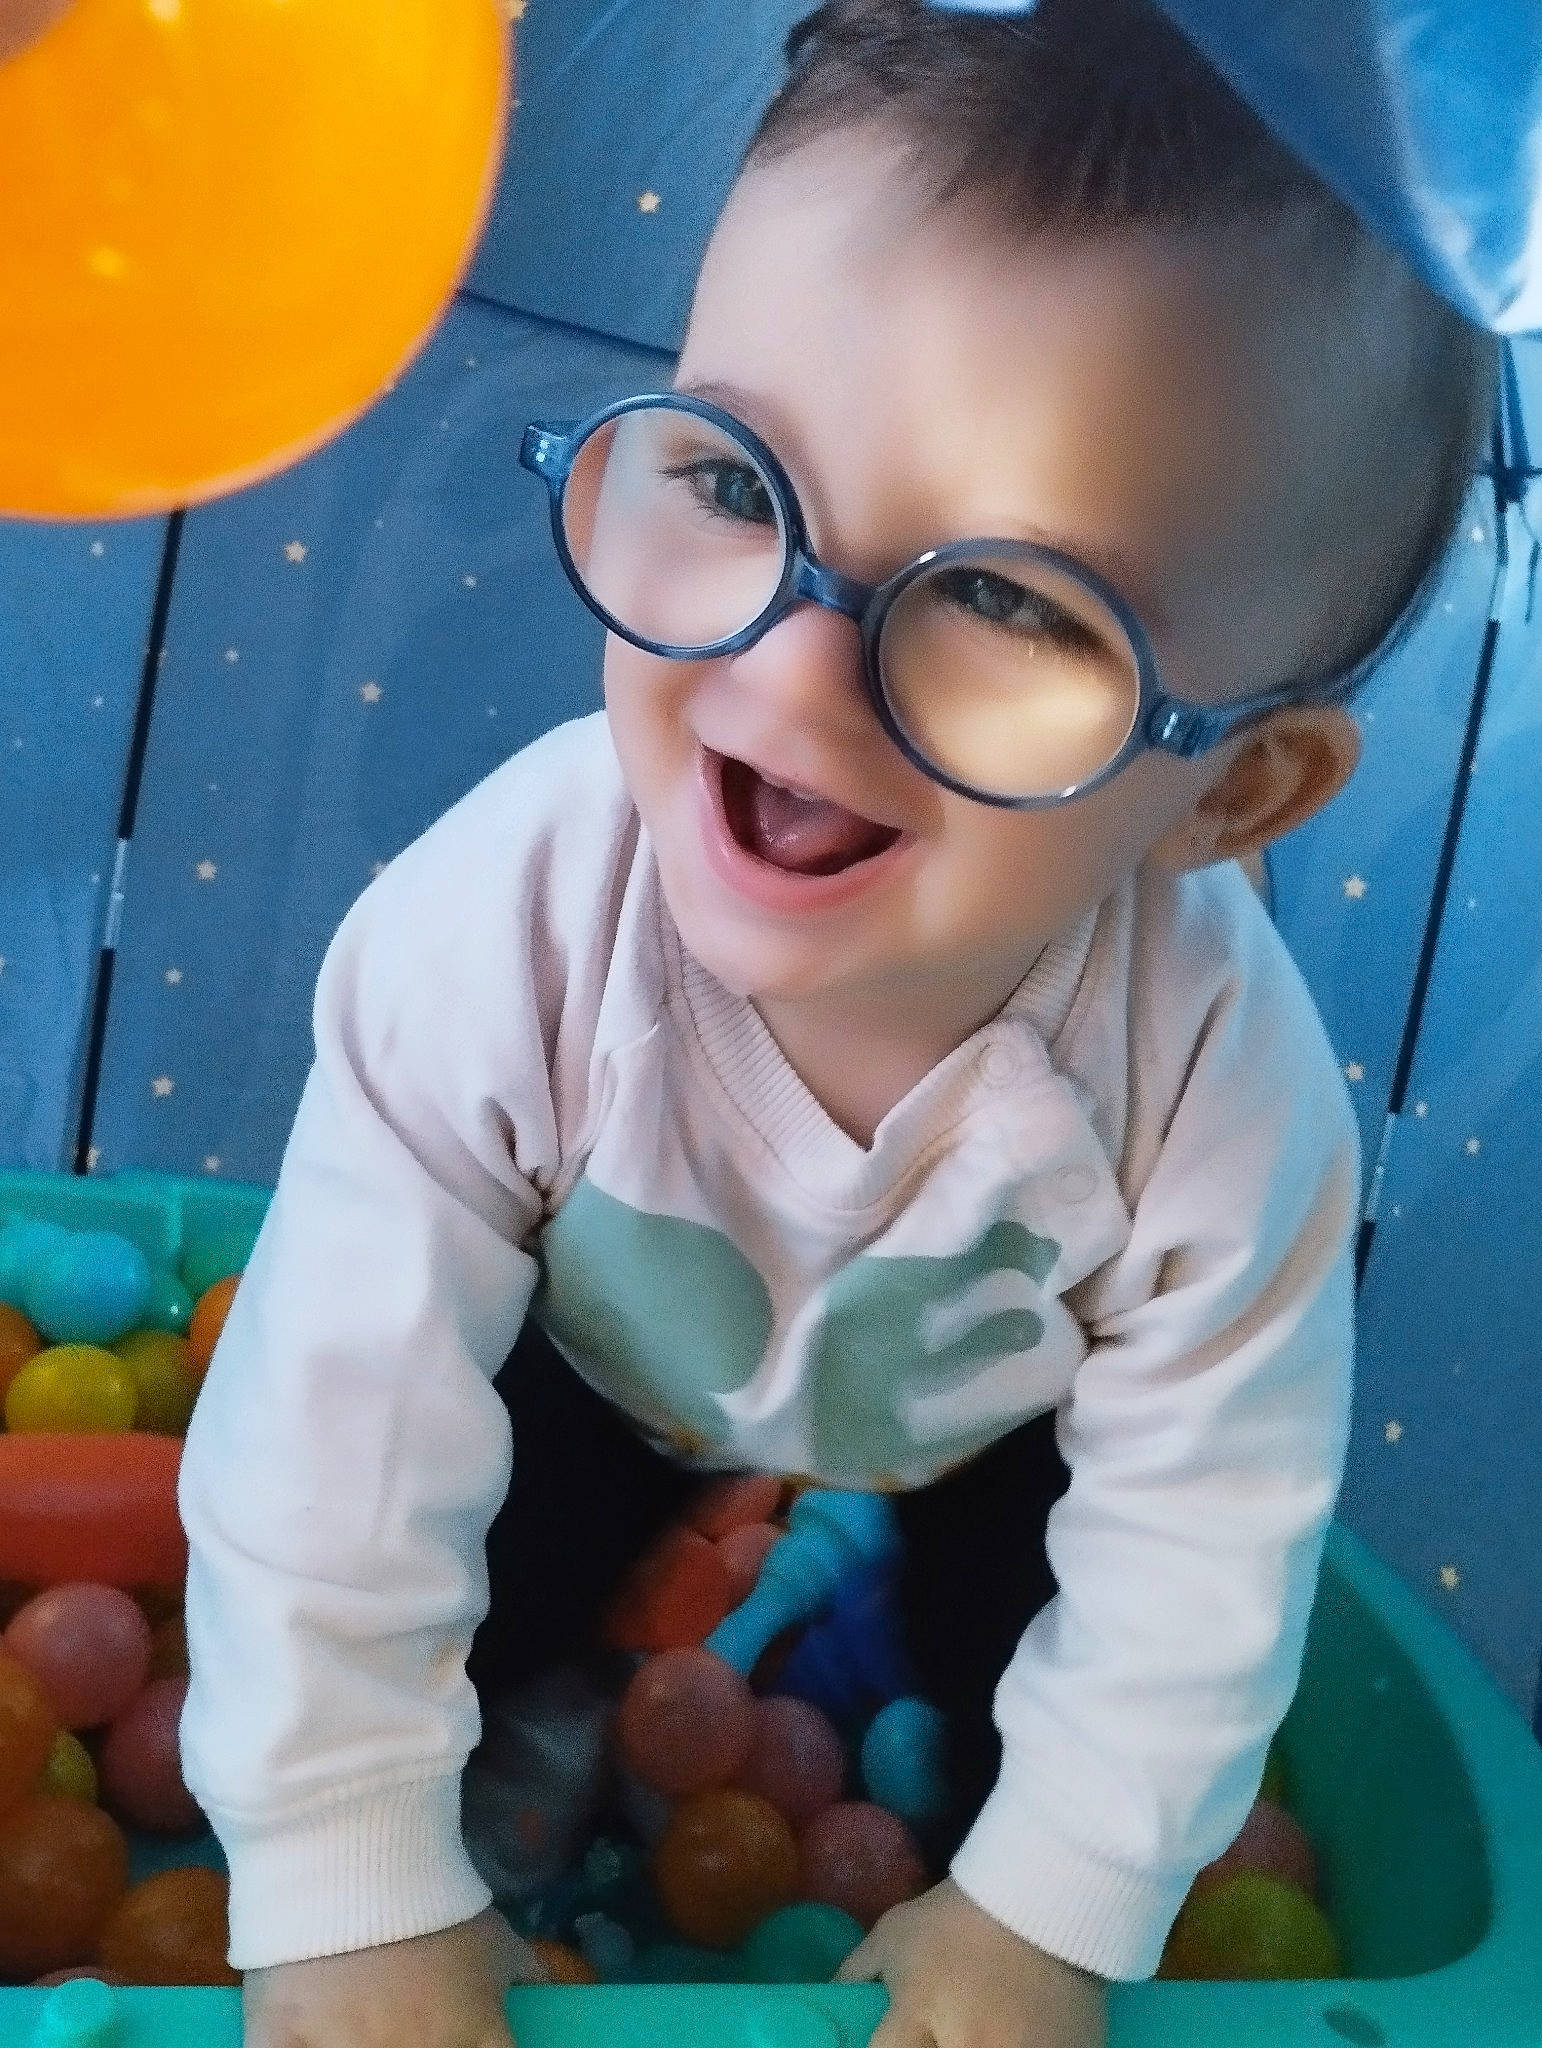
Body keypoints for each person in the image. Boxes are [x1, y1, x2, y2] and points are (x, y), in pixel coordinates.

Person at [177, 2, 1500, 2044]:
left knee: (1025, 1665)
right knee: (501, 1537)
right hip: (601, 1345)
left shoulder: (1216, 1102)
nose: (791, 672)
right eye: (730, 475)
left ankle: (971, 1830)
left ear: (1230, 795)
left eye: (1009, 605)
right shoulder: (508, 924)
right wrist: (342, 1880)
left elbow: (1203, 1528)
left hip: (991, 1414)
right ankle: (541, 1700)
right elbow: (337, 1409)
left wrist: (1049, 1914)